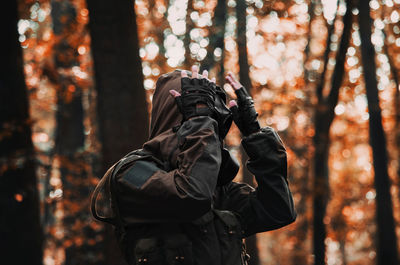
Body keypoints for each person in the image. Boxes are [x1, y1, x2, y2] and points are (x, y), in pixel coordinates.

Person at [91, 65, 296, 265]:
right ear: (173, 115)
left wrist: (255, 135)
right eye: (201, 117)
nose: (210, 129)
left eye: (212, 120)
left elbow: (278, 210)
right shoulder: (130, 174)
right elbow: (192, 196)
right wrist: (198, 122)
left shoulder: (215, 188)